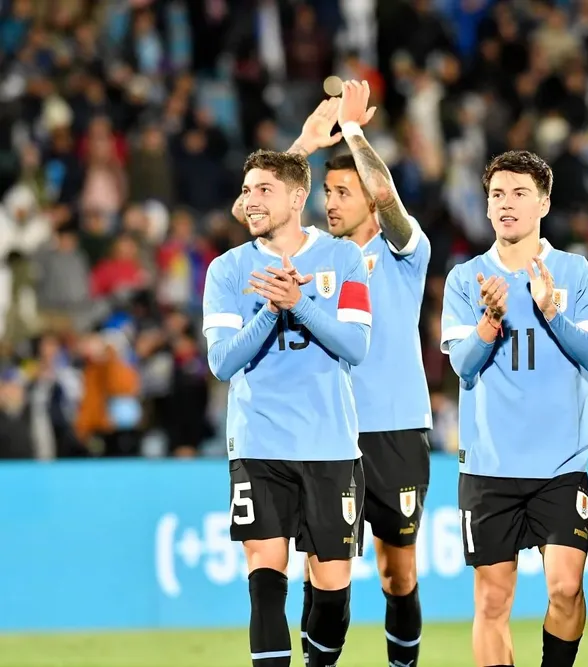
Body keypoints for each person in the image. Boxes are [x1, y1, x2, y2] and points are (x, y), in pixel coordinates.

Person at [439, 150, 588, 667]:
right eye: (497, 194)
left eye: (519, 193)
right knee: (492, 601)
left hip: (560, 464)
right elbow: (462, 366)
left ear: (544, 203)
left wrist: (551, 309)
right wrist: (490, 320)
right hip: (489, 465)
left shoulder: (574, 272)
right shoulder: (466, 278)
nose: (506, 204)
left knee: (566, 589)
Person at [204, 149, 372, 667]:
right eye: (246, 190)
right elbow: (222, 362)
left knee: (332, 592)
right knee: (265, 576)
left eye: (264, 190)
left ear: (298, 198)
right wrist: (269, 312)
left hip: (330, 444)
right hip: (259, 443)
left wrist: (299, 304)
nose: (251, 201)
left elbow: (356, 346)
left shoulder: (343, 258)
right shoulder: (227, 270)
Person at [286, 81, 432, 667]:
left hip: (395, 429)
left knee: (398, 575)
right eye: (327, 192)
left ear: (369, 199)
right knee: (323, 570)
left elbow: (389, 197)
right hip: (328, 433)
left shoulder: (404, 253)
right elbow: (257, 207)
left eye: (343, 192)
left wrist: (352, 133)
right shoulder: (318, 256)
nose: (331, 203)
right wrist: (303, 146)